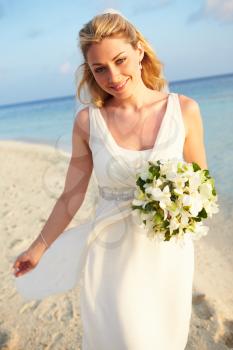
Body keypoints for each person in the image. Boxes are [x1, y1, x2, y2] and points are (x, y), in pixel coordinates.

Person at [12, 9, 208, 350]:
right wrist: (38, 248)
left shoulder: (185, 110)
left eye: (120, 60)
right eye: (99, 69)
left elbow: (202, 187)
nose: (113, 76)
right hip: (110, 257)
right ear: (89, 72)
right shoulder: (89, 123)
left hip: (168, 258)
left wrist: (179, 205)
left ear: (139, 51)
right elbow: (70, 197)